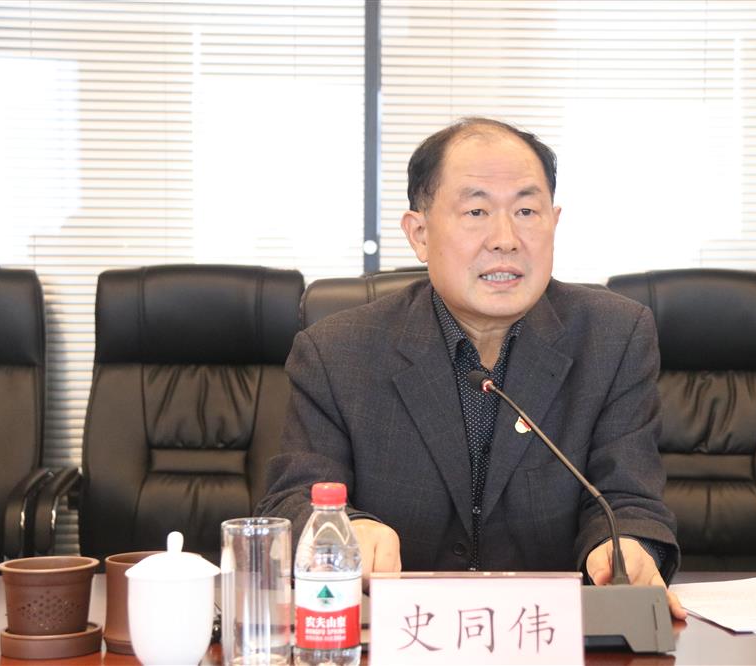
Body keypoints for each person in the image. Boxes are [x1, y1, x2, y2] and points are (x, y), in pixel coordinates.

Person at [257, 117, 685, 617]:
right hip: (401, 634)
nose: (505, 238)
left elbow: (629, 500)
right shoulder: (338, 351)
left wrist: (623, 547)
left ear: (553, 222)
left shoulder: (614, 337)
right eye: (476, 211)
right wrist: (347, 528)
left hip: (551, 634)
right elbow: (293, 501)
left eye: (526, 211)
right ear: (419, 234)